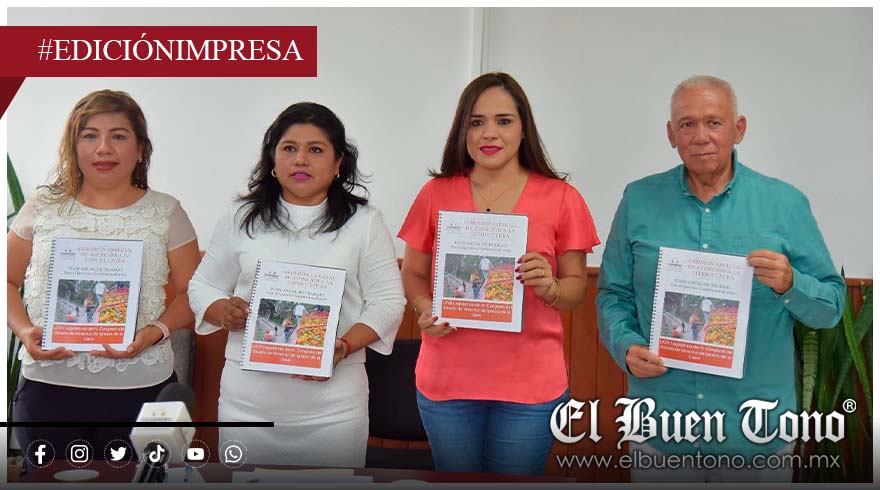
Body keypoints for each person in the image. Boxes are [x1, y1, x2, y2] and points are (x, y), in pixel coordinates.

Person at [596, 75, 846, 483]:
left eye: (714, 122)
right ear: (671, 134)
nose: (701, 136)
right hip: (662, 427)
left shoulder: (784, 204)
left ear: (738, 129)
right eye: (687, 124)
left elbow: (831, 308)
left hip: (755, 431)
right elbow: (613, 294)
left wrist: (790, 283)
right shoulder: (639, 199)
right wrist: (625, 345)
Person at [399, 72, 599, 475]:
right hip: (447, 381)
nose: (489, 133)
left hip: (531, 386)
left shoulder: (562, 198)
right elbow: (414, 273)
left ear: (524, 129)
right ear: (463, 130)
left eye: (504, 121)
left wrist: (551, 287)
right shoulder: (435, 193)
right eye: (477, 122)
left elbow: (577, 287)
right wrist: (423, 306)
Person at [187, 102, 406, 467]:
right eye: (289, 148)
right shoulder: (240, 217)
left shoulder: (364, 222)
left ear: (338, 163)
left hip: (334, 412)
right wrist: (222, 310)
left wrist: (344, 345)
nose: (300, 159)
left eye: (315, 149)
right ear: (273, 159)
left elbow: (388, 301)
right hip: (247, 408)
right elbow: (201, 286)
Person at [7, 89, 201, 468]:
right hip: (48, 389)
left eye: (119, 136)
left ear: (140, 148)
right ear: (74, 145)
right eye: (90, 135)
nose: (103, 148)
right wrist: (24, 331)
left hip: (141, 389)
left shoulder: (166, 212)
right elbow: (6, 280)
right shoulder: (43, 206)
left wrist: (155, 331)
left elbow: (194, 294)